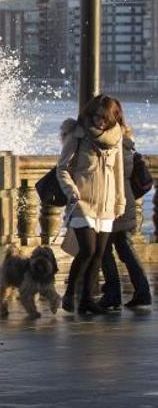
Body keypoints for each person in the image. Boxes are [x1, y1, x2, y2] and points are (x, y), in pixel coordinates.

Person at [56, 94, 126, 316]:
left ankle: (86, 300)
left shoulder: (116, 138)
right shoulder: (78, 134)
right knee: (88, 250)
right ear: (90, 113)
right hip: (81, 201)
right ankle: (69, 294)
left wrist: (119, 201)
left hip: (106, 204)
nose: (100, 121)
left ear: (113, 118)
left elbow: (118, 172)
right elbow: (62, 167)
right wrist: (71, 190)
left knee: (99, 254)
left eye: (105, 118)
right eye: (97, 116)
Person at [99, 103, 152, 309]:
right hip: (125, 201)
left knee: (104, 249)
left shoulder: (115, 143)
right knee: (123, 247)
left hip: (116, 203)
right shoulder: (125, 139)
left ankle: (114, 293)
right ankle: (141, 291)